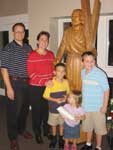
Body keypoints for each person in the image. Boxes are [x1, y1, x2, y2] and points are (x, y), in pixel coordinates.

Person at [1, 23, 33, 150]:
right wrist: (8, 87)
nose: (20, 33)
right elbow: (3, 69)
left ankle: (21, 130)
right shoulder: (8, 48)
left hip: (28, 83)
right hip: (14, 83)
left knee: (24, 110)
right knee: (13, 112)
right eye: (17, 31)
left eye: (22, 31)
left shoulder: (28, 47)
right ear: (13, 33)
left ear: (24, 33)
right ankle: (13, 138)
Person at [27, 31, 55, 144]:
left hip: (48, 87)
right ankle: (37, 132)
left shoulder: (51, 54)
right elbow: (31, 74)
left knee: (46, 111)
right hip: (36, 88)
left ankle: (46, 131)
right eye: (42, 39)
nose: (44, 41)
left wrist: (54, 79)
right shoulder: (32, 55)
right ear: (38, 41)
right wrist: (44, 82)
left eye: (46, 39)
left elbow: (53, 70)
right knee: (37, 112)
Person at [81, 51, 109, 150]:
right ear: (83, 62)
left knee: (99, 129)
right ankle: (88, 144)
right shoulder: (83, 72)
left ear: (95, 61)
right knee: (88, 127)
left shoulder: (100, 74)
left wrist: (104, 106)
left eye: (92, 61)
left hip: (98, 108)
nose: (90, 63)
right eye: (87, 61)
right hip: (86, 107)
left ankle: (98, 146)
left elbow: (106, 90)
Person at [54, 9, 89, 90]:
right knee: (70, 84)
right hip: (70, 61)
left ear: (81, 18)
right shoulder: (67, 32)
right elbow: (62, 46)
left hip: (82, 62)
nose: (73, 18)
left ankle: (81, 101)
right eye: (72, 16)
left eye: (76, 16)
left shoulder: (86, 31)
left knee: (82, 84)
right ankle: (71, 102)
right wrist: (58, 58)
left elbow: (90, 48)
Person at [43, 63, 70, 149]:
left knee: (62, 124)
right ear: (54, 72)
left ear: (65, 73)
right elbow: (45, 96)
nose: (61, 73)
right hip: (53, 109)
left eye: (63, 71)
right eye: (59, 71)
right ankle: (54, 139)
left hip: (63, 109)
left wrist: (66, 97)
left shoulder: (66, 82)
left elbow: (68, 93)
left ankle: (61, 139)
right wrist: (55, 100)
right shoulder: (51, 83)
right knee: (54, 125)